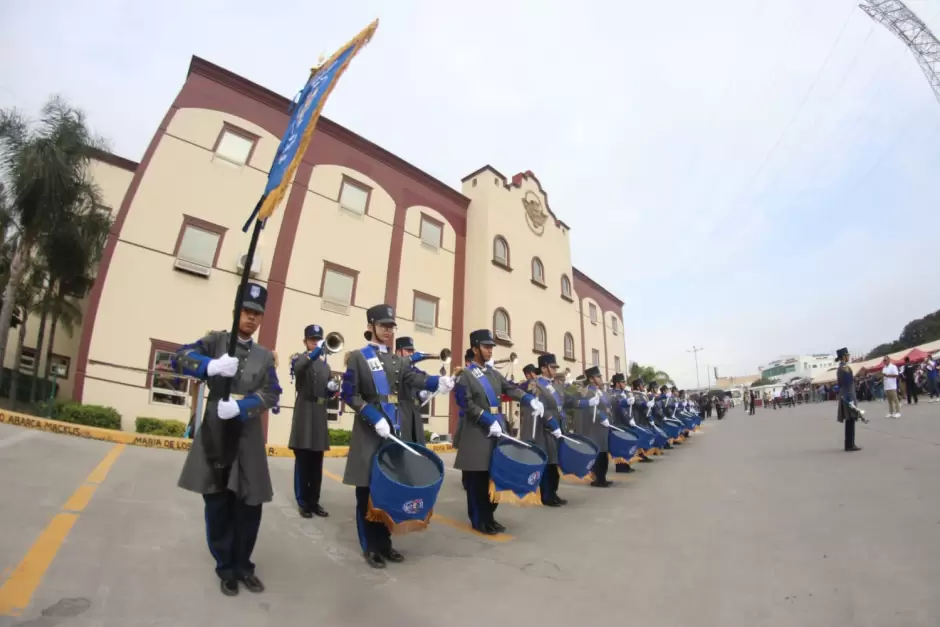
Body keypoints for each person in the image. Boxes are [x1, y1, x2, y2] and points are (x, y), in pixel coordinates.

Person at [176, 282, 282, 596]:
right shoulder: (215, 341)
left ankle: (243, 564)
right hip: (215, 431)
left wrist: (242, 405)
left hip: (247, 432)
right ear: (237, 311)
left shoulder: (264, 356)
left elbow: (272, 393)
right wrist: (210, 365)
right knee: (218, 499)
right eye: (247, 311)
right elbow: (180, 357)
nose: (251, 318)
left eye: (257, 314)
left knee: (250, 501)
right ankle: (225, 567)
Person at [340, 304, 456, 569]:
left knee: (388, 492)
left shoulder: (399, 361)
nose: (388, 331)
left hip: (394, 431)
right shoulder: (358, 357)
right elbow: (349, 394)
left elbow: (415, 378)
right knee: (367, 493)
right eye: (383, 326)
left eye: (391, 327)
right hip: (371, 431)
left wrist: (438, 383)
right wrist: (372, 414)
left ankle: (385, 544)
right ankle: (370, 547)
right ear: (371, 327)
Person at [453, 329, 544, 534]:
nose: (490, 351)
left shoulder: (493, 374)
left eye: (491, 347)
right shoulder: (465, 375)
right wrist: (485, 418)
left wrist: (530, 400)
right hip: (477, 431)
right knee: (477, 481)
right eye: (486, 347)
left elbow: (511, 389)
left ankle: (489, 516)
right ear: (475, 348)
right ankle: (478, 520)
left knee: (492, 478)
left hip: (497, 430)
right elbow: (464, 403)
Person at [288, 324, 336, 519]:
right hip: (304, 411)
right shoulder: (299, 358)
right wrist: (316, 351)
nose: (316, 342)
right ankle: (303, 502)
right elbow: (299, 368)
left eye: (318, 340)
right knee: (303, 460)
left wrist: (332, 389)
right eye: (312, 340)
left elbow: (329, 393)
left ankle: (314, 501)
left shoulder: (326, 366)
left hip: (319, 413)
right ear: (305, 341)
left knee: (317, 462)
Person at [519, 354, 566, 506]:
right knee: (548, 463)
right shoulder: (535, 384)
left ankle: (554, 492)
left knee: (554, 462)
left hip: (556, 428)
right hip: (543, 429)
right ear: (544, 368)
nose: (554, 370)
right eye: (552, 367)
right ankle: (546, 495)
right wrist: (550, 422)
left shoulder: (553, 385)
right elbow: (538, 408)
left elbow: (560, 405)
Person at [572, 367, 615, 486]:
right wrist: (602, 417)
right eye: (598, 377)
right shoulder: (588, 392)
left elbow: (608, 404)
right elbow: (591, 409)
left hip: (604, 428)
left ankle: (602, 477)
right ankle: (598, 478)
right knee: (599, 453)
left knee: (604, 453)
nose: (601, 379)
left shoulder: (599, 391)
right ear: (591, 379)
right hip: (596, 427)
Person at [395, 337, 431, 444]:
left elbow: (416, 394)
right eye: (408, 350)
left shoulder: (416, 372)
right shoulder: (394, 369)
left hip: (414, 414)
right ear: (398, 352)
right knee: (403, 448)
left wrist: (421, 395)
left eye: (412, 351)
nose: (411, 353)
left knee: (418, 447)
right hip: (400, 413)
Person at [835, 347, 862, 452]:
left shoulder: (841, 367)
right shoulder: (844, 368)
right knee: (850, 420)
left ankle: (849, 443)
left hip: (845, 394)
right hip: (848, 395)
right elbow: (847, 384)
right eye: (847, 355)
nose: (849, 356)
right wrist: (851, 400)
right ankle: (850, 444)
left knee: (849, 421)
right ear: (844, 356)